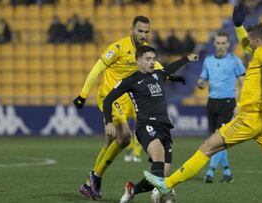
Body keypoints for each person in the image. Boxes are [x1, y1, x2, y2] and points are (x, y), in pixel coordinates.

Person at [143, 4, 262, 202]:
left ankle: (166, 183)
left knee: (207, 147)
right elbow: (253, 48)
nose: (247, 47)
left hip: (249, 118)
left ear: (258, 41)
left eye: (251, 42)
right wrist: (238, 26)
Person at [73, 15, 184, 200]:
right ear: (131, 29)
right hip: (110, 94)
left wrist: (171, 76)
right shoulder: (118, 47)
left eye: (146, 31)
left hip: (128, 97)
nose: (143, 35)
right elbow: (97, 68)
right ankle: (95, 177)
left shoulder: (144, 52)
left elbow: (157, 67)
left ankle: (90, 182)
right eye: (140, 31)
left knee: (111, 142)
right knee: (124, 137)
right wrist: (83, 94)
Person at [102, 45, 198, 202]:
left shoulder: (158, 75)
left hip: (164, 126)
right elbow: (108, 100)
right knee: (158, 157)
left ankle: (132, 189)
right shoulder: (130, 81)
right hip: (146, 126)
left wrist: (186, 58)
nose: (152, 62)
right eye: (148, 59)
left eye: (153, 59)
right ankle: (162, 193)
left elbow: (169, 69)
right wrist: (109, 122)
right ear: (138, 61)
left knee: (161, 174)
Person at [197, 31, 245, 184]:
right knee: (215, 139)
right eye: (218, 43)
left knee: (217, 138)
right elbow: (203, 79)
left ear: (228, 44)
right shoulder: (208, 61)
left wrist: (241, 103)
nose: (220, 46)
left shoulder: (234, 60)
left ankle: (210, 172)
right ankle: (227, 172)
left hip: (228, 103)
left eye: (223, 43)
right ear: (214, 44)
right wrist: (200, 83)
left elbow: (244, 82)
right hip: (212, 102)